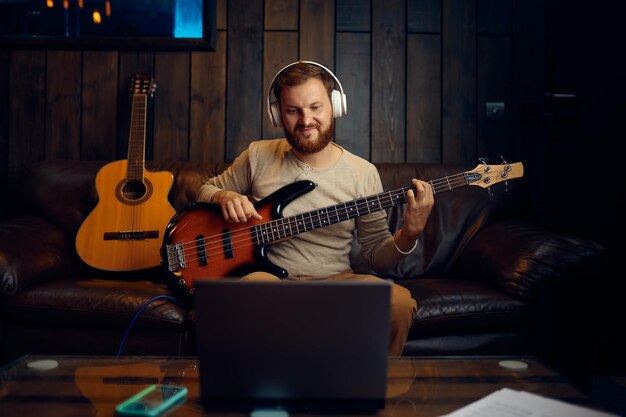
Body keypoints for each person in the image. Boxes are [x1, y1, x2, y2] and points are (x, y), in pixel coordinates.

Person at [197, 61, 434, 356]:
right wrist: (224, 197)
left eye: (315, 107)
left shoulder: (362, 173)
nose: (305, 120)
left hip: (336, 282)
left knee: (398, 302)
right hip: (270, 279)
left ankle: (371, 391)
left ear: (335, 106)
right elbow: (205, 189)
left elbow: (376, 256)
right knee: (249, 292)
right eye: (293, 110)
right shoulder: (258, 155)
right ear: (277, 114)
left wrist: (410, 234)